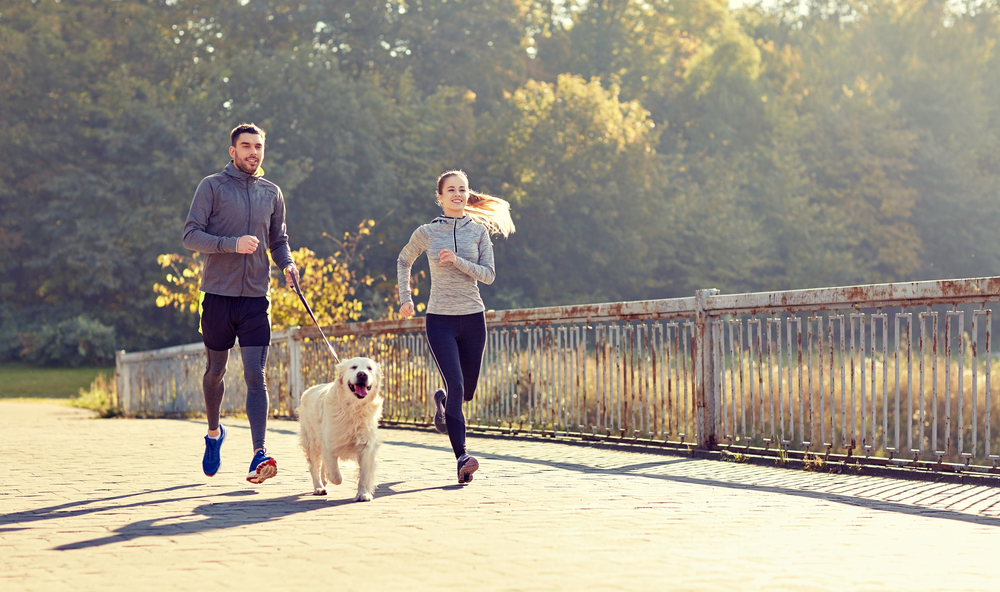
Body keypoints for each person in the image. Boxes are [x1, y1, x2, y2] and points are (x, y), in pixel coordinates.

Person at [182, 123, 300, 484]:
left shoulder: (272, 192)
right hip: (217, 295)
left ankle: (259, 453)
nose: (253, 152)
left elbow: (278, 240)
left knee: (255, 374)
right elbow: (190, 235)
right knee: (216, 371)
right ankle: (214, 433)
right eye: (246, 146)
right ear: (232, 151)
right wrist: (231, 244)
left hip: (255, 297)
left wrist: (289, 264)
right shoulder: (212, 186)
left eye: (258, 146)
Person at [396, 170, 515, 484]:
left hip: (474, 318)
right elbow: (404, 259)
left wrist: (458, 261)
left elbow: (488, 275)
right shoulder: (426, 232)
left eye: (462, 189)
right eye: (451, 190)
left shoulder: (478, 232)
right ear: (440, 197)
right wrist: (406, 298)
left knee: (465, 393)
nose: (458, 194)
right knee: (457, 385)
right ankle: (462, 457)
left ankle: (443, 404)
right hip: (440, 320)